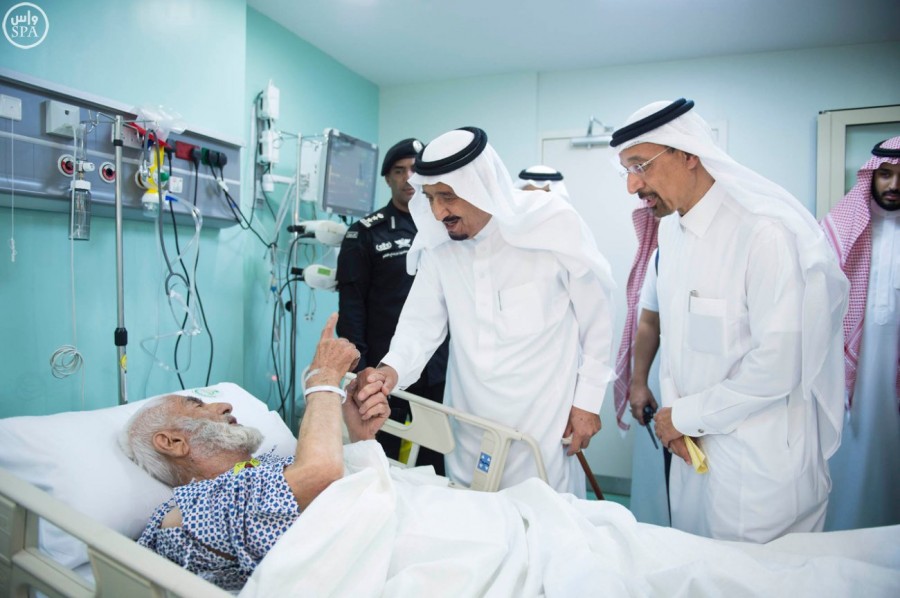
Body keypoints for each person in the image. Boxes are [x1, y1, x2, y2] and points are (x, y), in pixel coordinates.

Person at [610, 98, 849, 542]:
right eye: (625, 170)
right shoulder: (671, 232)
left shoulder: (763, 233)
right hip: (693, 453)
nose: (631, 185)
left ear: (688, 154)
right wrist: (677, 421)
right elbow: (677, 342)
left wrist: (684, 416)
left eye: (640, 165)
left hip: (758, 469)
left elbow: (780, 365)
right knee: (699, 565)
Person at [353, 126, 616, 497]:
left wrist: (587, 402)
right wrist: (389, 371)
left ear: (482, 186)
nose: (438, 212)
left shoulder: (551, 225)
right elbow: (419, 327)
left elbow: (597, 321)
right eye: (430, 198)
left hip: (542, 423)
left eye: (448, 196)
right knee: (472, 514)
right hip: (469, 422)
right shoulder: (439, 245)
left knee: (544, 519)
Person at [120, 314, 390, 592]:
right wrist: (323, 378)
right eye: (198, 406)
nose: (225, 405)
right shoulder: (192, 508)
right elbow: (321, 474)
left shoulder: (268, 466)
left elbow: (344, 489)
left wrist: (361, 436)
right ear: (173, 442)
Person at [337, 138, 450, 474]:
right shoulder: (366, 234)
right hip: (383, 369)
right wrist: (360, 371)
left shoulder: (444, 228)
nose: (408, 177)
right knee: (382, 456)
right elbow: (352, 310)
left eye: (414, 170)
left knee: (434, 458)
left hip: (438, 368)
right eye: (399, 171)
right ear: (387, 178)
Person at [821, 136, 900, 531]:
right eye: (884, 174)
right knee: (846, 457)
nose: (893, 184)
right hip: (848, 377)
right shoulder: (840, 230)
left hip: (892, 373)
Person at [613, 191, 675, 526]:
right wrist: (638, 384)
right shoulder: (661, 258)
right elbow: (649, 322)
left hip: (715, 404)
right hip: (660, 389)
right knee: (657, 496)